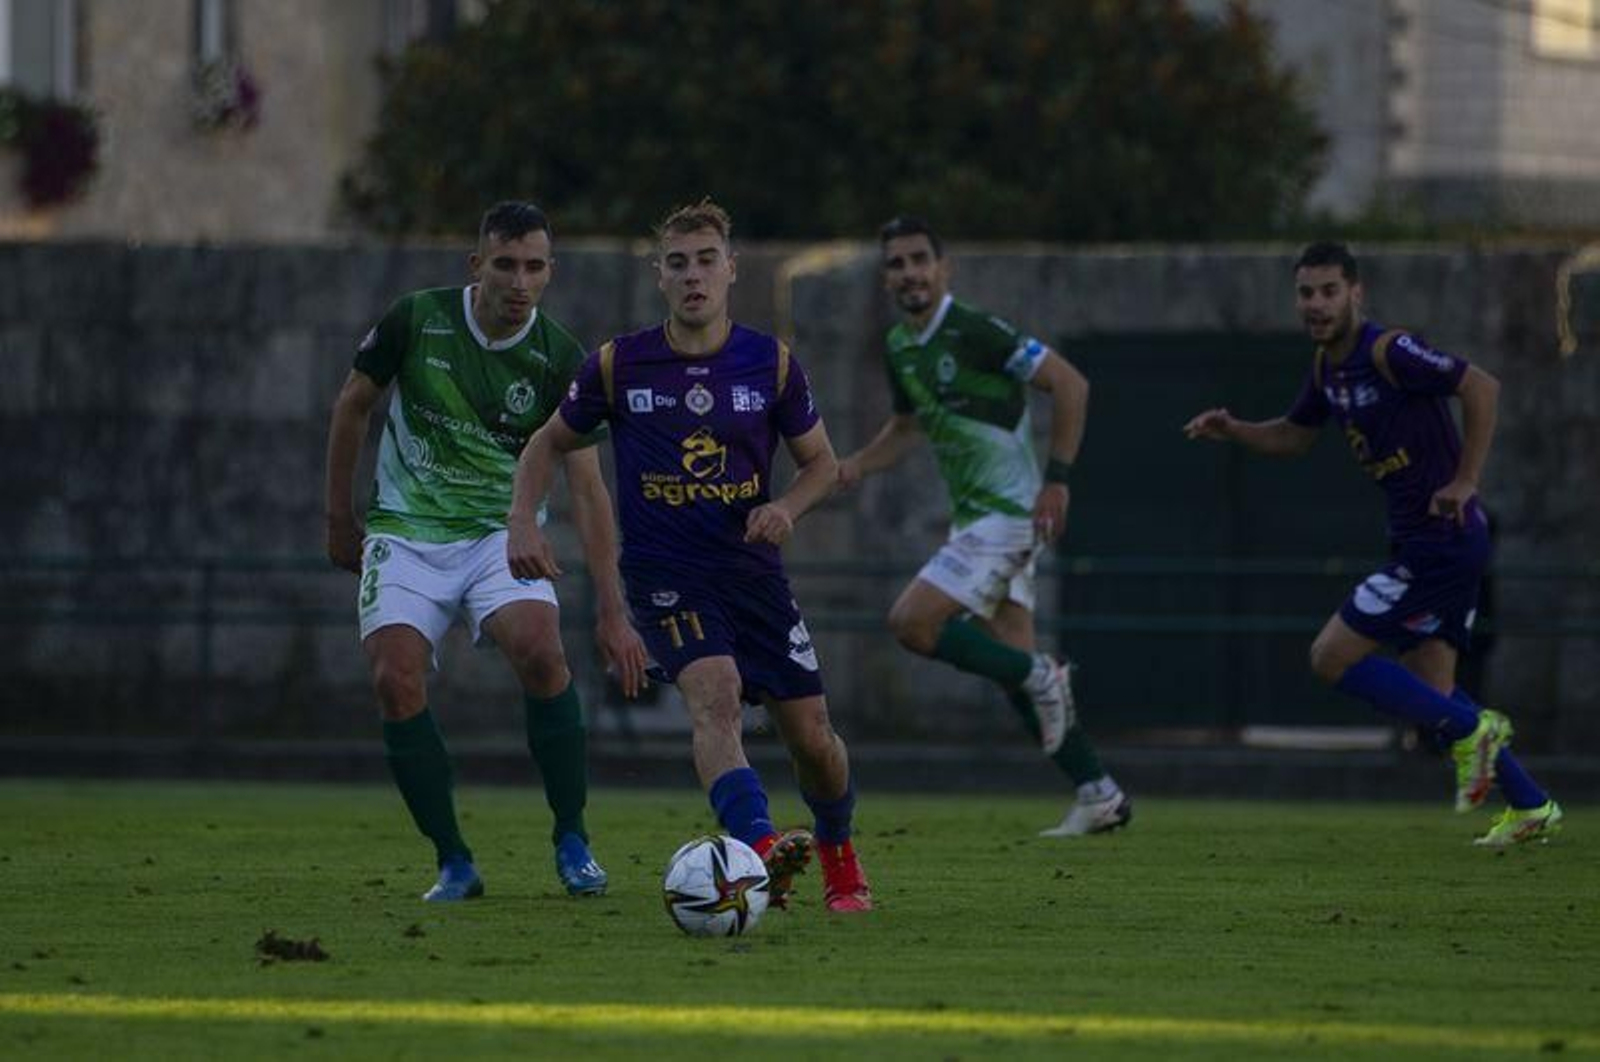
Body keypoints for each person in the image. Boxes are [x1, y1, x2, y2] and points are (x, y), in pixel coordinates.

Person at [508, 199, 873, 913]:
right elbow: (547, 441)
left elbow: (823, 465)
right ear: (660, 277)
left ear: (731, 270)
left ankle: (839, 853)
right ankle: (763, 853)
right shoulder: (618, 364)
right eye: (678, 264)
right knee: (716, 696)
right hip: (667, 575)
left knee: (816, 742)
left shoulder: (770, 363)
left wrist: (784, 508)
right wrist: (522, 520)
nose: (694, 276)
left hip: (752, 573)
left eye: (707, 261)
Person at [1183, 241, 1561, 846]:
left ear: (1356, 293)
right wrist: (1234, 431)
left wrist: (1466, 480)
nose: (1316, 304)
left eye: (1330, 291)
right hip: (1424, 540)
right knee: (1435, 695)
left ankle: (1478, 733)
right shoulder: (1326, 368)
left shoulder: (1387, 350)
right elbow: (1291, 437)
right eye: (1306, 292)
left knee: (1330, 656)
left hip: (1440, 539)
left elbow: (1481, 386)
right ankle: (1531, 805)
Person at [324, 201, 647, 902]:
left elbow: (590, 489)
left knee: (540, 648)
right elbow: (352, 405)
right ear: (477, 266)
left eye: (534, 267)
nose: (520, 282)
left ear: (550, 273)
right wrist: (338, 519)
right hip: (406, 533)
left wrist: (613, 611)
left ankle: (572, 836)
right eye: (506, 264)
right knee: (393, 677)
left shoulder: (563, 357)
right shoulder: (417, 319)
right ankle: (454, 860)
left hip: (500, 537)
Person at [837, 216, 1132, 838]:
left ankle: (1042, 676)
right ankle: (1098, 792)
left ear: (945, 268)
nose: (910, 272)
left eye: (921, 258)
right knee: (1011, 665)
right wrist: (855, 466)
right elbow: (909, 427)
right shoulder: (899, 346)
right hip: (978, 519)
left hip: (1013, 513)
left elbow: (1071, 384)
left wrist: (1058, 479)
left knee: (912, 622)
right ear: (886, 276)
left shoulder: (973, 330)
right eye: (897, 262)